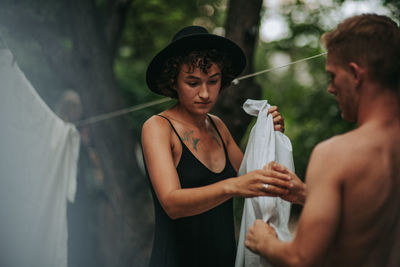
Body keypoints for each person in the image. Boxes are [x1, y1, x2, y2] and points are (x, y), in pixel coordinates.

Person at [141, 26, 305, 267]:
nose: (205, 93)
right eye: (193, 82)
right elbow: (172, 203)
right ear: (173, 81)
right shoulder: (158, 127)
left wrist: (269, 136)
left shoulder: (218, 126)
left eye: (213, 81)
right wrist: (232, 186)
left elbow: (255, 180)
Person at [245, 13, 400, 267]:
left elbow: (301, 258)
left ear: (355, 74)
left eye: (332, 76)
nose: (330, 88)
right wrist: (308, 194)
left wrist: (264, 241)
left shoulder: (335, 155)